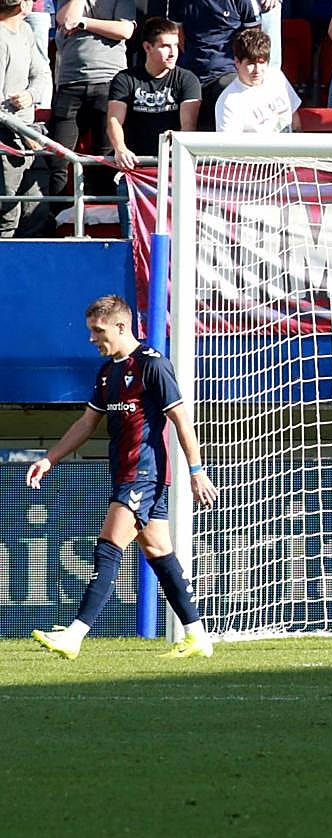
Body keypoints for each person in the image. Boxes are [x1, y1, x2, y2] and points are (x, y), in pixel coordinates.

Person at [29, 295, 220, 661]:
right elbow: (87, 422)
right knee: (160, 554)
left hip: (144, 475)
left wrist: (196, 472)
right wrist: (50, 459)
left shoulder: (153, 365)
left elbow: (182, 421)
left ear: (120, 326)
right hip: (126, 474)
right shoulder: (108, 373)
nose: (91, 338)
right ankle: (197, 636)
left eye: (97, 330)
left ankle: (75, 634)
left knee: (108, 546)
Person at [107, 17, 200, 234]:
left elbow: (188, 125)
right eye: (165, 46)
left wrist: (177, 141)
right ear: (147, 47)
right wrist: (120, 149)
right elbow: (113, 120)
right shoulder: (125, 79)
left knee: (177, 235)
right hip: (135, 172)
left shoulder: (188, 79)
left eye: (175, 45)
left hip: (172, 173)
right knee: (133, 238)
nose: (173, 52)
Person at [47, 0, 136, 198]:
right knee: (58, 157)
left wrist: (84, 23)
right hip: (70, 83)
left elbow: (125, 30)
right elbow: (66, 20)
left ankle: (102, 210)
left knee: (104, 157)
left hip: (109, 81)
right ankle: (58, 212)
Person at [146, 0, 260, 131]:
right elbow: (177, 32)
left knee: (230, 97)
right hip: (191, 71)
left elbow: (253, 36)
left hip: (228, 72)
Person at [0, 0, 52, 238]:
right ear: (21, 4)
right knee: (7, 212)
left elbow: (41, 73)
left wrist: (31, 95)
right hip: (8, 137)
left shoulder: (26, 30)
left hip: (30, 133)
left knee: (36, 208)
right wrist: (24, 133)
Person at [215, 28, 301, 133]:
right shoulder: (228, 102)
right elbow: (229, 142)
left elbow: (295, 119)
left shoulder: (277, 77)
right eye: (251, 64)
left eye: (261, 62)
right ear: (237, 62)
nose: (257, 70)